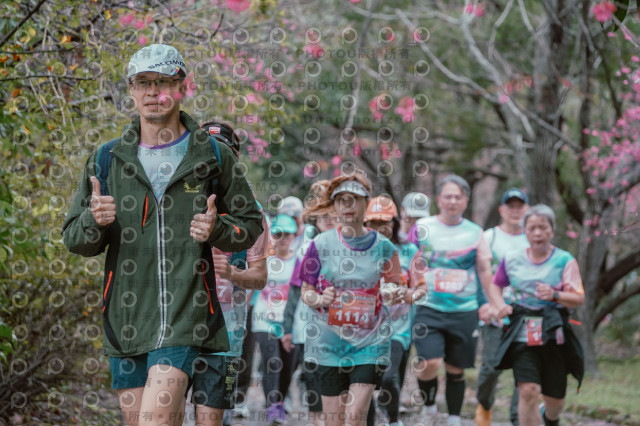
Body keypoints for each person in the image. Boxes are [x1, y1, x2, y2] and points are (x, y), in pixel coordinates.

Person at [62, 44, 263, 426]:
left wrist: (218, 228)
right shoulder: (106, 159)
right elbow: (74, 239)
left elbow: (250, 224)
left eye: (164, 82)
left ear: (182, 87)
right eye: (144, 82)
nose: (153, 92)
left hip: (187, 317)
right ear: (132, 90)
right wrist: (94, 220)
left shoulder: (214, 155)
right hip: (125, 321)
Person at [299, 171, 425, 426]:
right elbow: (306, 292)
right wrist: (320, 299)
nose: (348, 205)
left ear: (366, 203)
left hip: (370, 342)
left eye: (354, 198)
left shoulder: (384, 247)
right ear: (334, 205)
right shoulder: (320, 244)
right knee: (334, 421)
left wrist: (395, 293)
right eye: (341, 199)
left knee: (355, 415)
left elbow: (396, 286)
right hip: (329, 342)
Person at [188, 121, 271, 426]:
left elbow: (260, 277)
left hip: (226, 336)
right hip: (176, 331)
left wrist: (233, 275)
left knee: (214, 420)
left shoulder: (253, 212)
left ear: (235, 159)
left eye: (222, 154)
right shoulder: (176, 203)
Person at [487, 204, 585, 426]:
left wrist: (555, 295)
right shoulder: (512, 258)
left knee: (555, 400)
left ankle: (549, 417)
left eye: (543, 227)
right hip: (522, 332)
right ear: (525, 231)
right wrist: (499, 304)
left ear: (552, 230)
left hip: (553, 333)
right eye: (532, 228)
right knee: (528, 390)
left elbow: (578, 298)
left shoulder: (565, 260)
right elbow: (495, 284)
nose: (537, 233)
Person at [409, 175, 493, 426]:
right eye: (448, 196)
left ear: (466, 200)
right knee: (429, 362)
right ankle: (430, 408)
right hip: (428, 307)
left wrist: (489, 302)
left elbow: (484, 270)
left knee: (456, 369)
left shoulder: (475, 232)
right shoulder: (422, 227)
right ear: (439, 199)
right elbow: (407, 259)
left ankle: (454, 418)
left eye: (458, 197)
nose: (453, 201)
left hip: (464, 310)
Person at [364, 195, 424, 426]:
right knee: (365, 383)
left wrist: (408, 295)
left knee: (389, 378)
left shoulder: (409, 251)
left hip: (398, 328)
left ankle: (393, 420)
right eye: (374, 222)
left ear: (395, 222)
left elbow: (421, 289)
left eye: (385, 221)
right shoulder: (359, 251)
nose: (380, 227)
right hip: (364, 330)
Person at [281, 180, 336, 426]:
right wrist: (287, 328)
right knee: (313, 377)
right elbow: (295, 291)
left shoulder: (356, 245)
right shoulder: (306, 249)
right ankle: (316, 421)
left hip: (347, 329)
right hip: (310, 328)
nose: (328, 218)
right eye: (323, 214)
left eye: (332, 213)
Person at [475, 188, 530, 426]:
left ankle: (518, 417)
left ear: (527, 210)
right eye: (511, 206)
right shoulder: (489, 237)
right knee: (490, 367)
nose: (515, 211)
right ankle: (484, 403)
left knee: (524, 368)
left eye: (520, 206)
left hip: (525, 313)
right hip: (494, 312)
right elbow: (479, 273)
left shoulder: (532, 238)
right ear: (501, 210)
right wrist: (484, 304)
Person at [252, 214, 300, 425]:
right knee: (272, 362)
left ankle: (280, 402)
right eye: (278, 234)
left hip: (290, 323)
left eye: (286, 234)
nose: (282, 238)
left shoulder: (299, 262)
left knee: (289, 366)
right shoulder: (265, 260)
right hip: (264, 321)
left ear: (293, 236)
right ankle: (272, 406)